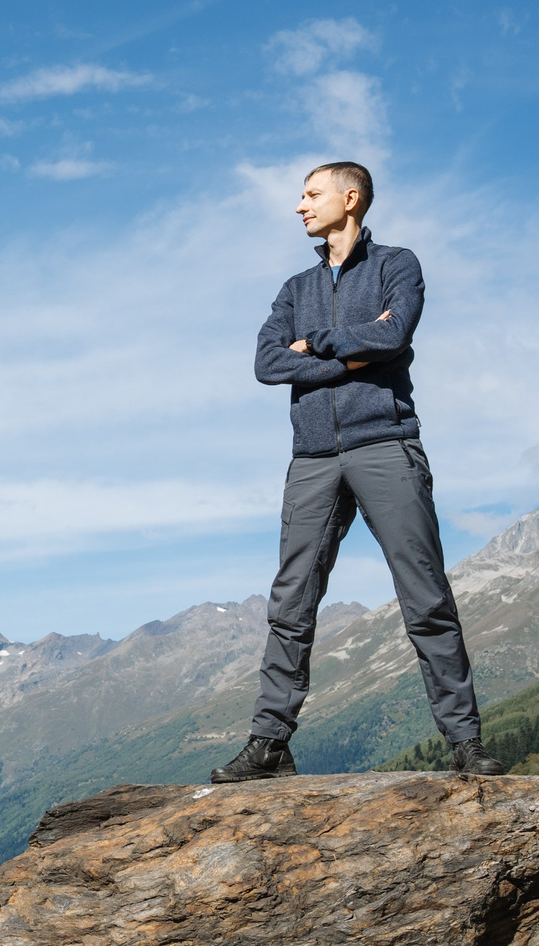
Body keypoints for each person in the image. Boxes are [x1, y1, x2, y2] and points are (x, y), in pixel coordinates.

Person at [211, 161, 504, 782]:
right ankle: (270, 743)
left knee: (425, 597)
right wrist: (351, 354)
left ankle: (465, 742)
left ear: (352, 198)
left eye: (311, 194)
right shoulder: (295, 287)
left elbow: (396, 333)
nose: (299, 206)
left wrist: (314, 344)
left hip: (386, 445)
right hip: (312, 458)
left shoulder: (398, 264)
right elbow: (266, 363)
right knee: (291, 602)